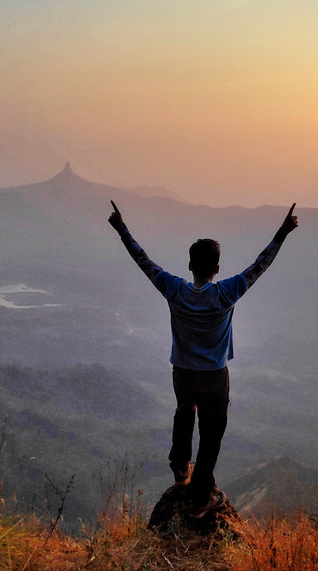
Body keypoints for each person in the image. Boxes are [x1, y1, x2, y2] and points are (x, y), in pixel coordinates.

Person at [108, 200, 298, 518]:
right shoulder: (227, 292)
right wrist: (283, 232)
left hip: (182, 372)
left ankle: (181, 470)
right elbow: (260, 265)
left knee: (184, 415)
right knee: (212, 433)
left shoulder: (175, 290)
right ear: (217, 269)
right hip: (214, 375)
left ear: (190, 265)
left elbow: (143, 261)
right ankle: (199, 500)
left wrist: (121, 228)